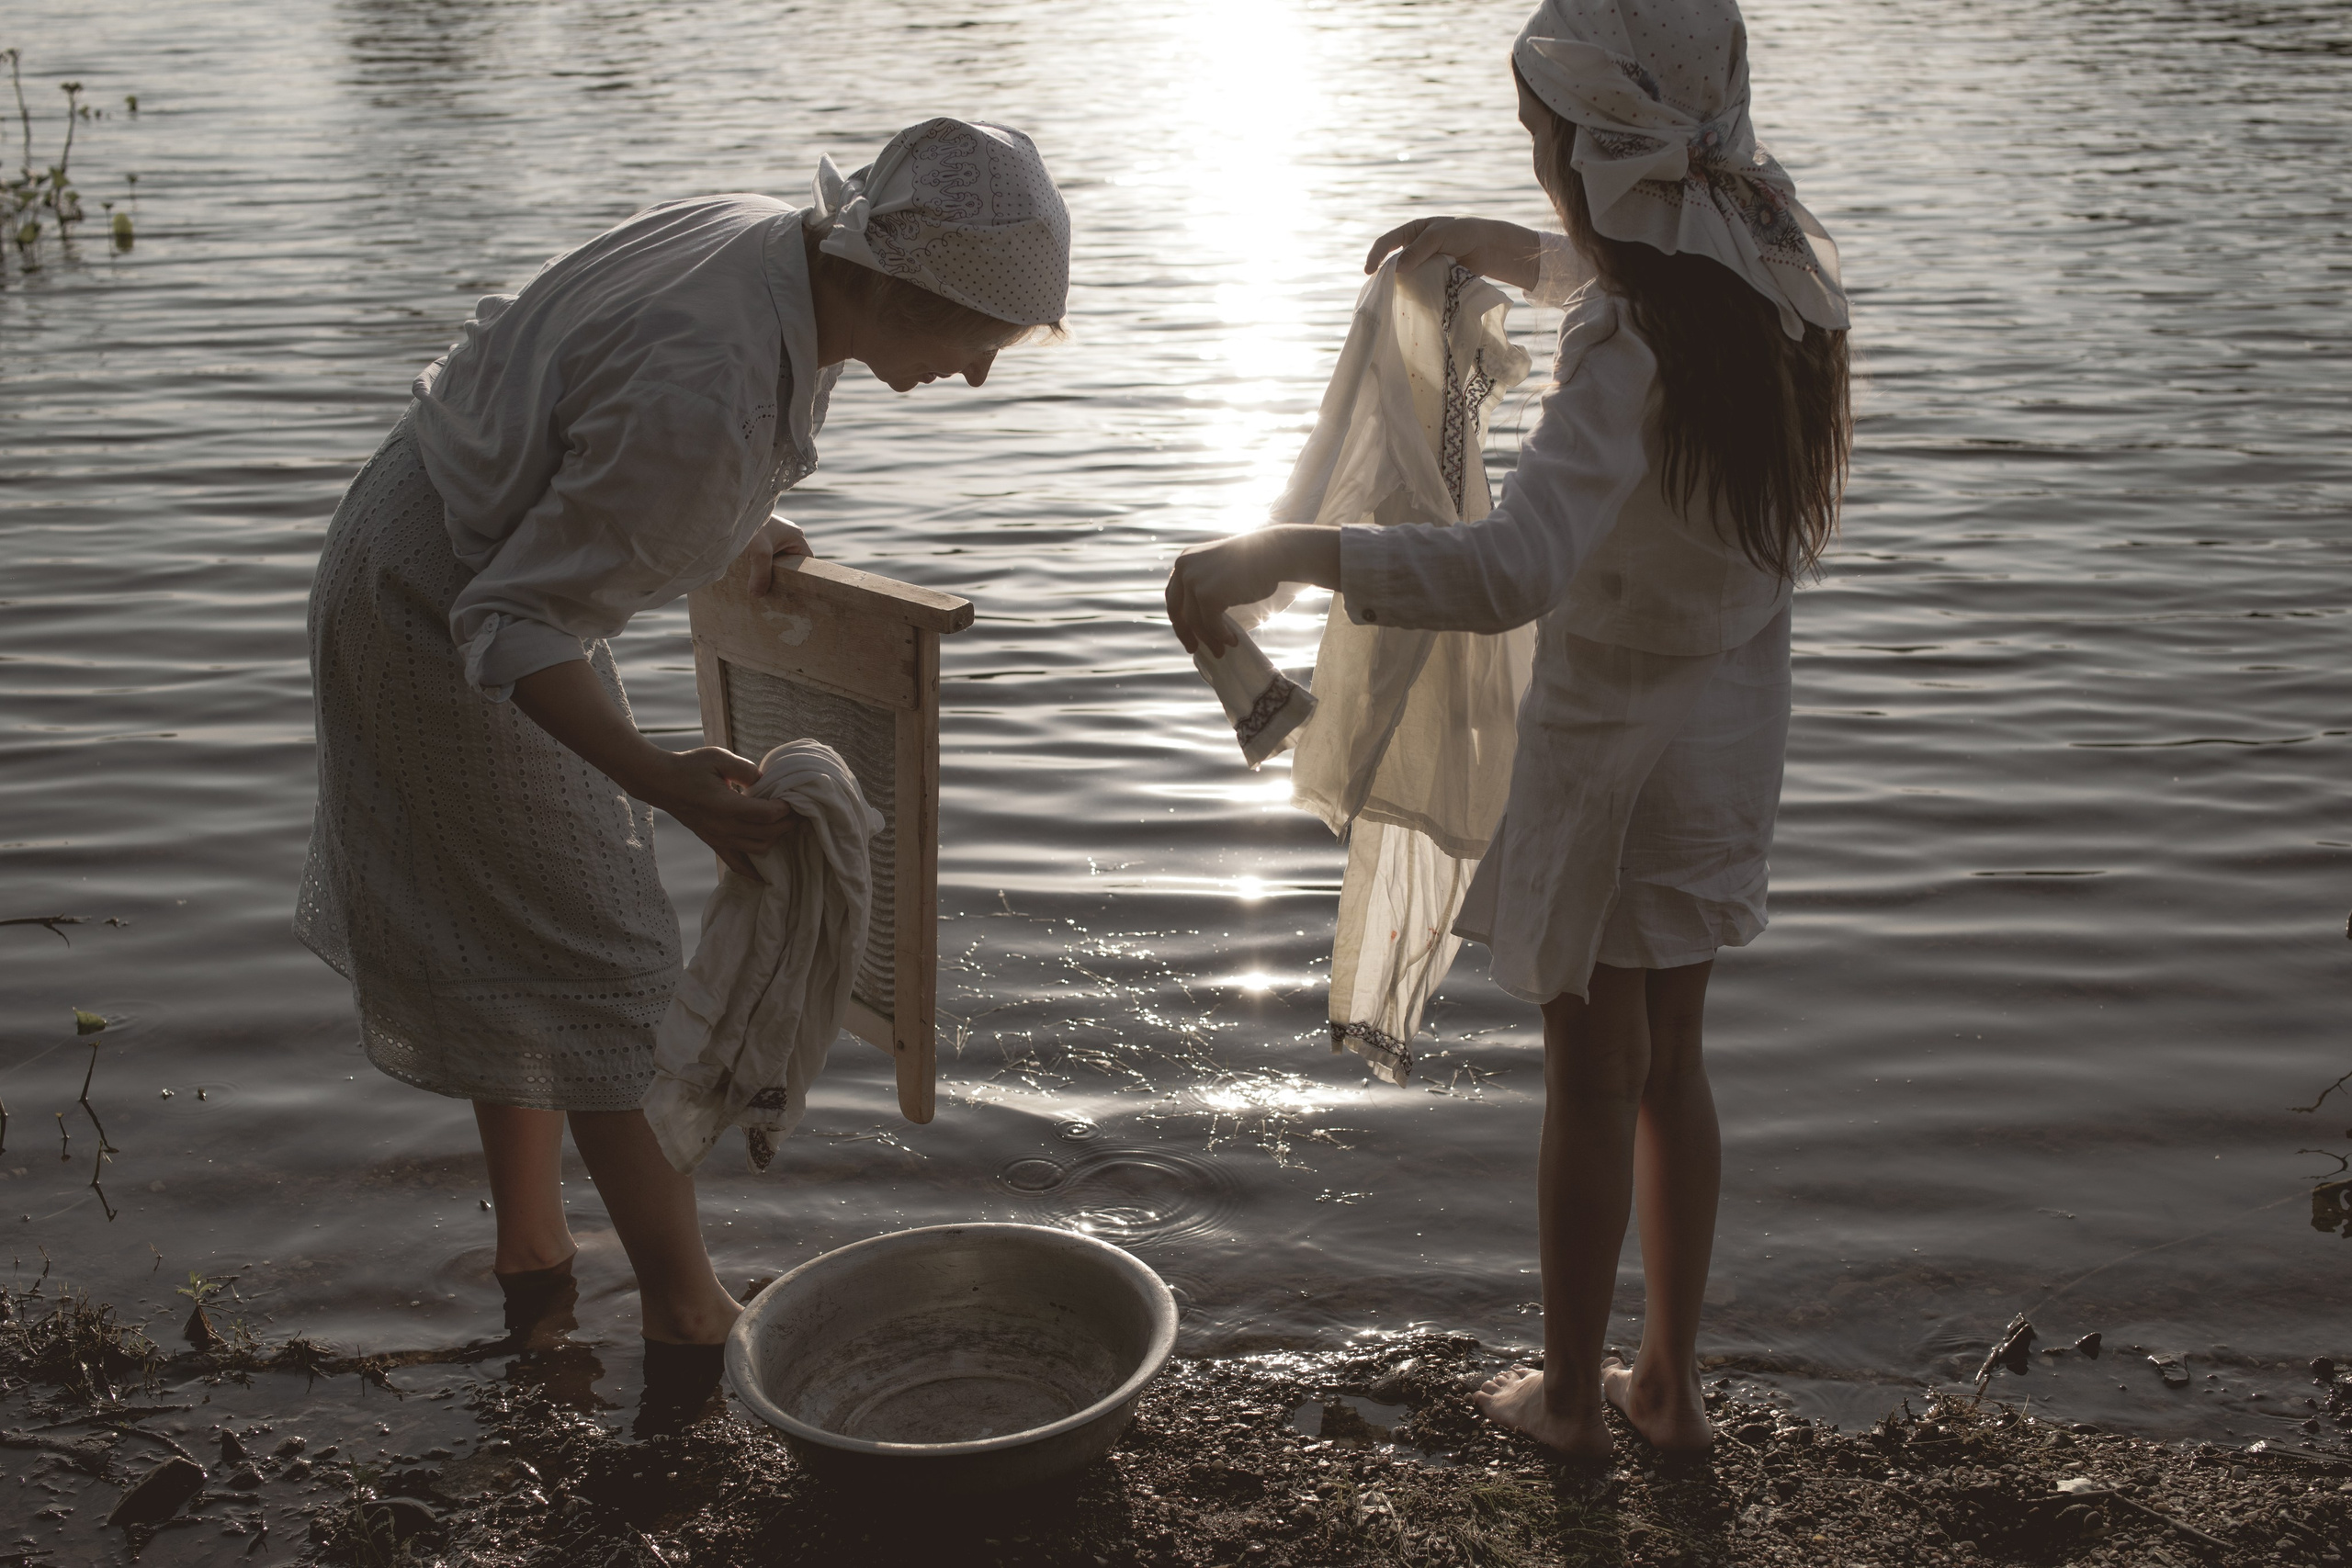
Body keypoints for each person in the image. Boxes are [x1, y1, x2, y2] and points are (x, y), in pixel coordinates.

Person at [1164, 0, 1849, 1458]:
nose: (1545, 176)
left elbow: (1510, 569)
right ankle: (1668, 1387)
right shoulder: (1777, 254)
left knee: (1590, 1073)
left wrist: (1287, 551)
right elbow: (1648, 292)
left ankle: (1567, 1402)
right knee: (1675, 1061)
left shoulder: (1629, 332)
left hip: (1611, 750)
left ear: (1598, 148)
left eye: (1544, 150)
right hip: (1727, 727)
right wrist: (1504, 248)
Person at [296, 118, 1069, 1382]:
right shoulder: (717, 390)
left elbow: (588, 431)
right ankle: (686, 1314)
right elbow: (511, 619)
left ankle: (532, 1268)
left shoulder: (772, 249)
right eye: (977, 341)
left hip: (435, 539)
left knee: (528, 935)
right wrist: (657, 777)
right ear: (892, 281)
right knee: (607, 962)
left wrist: (733, 527)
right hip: (431, 609)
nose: (979, 376)